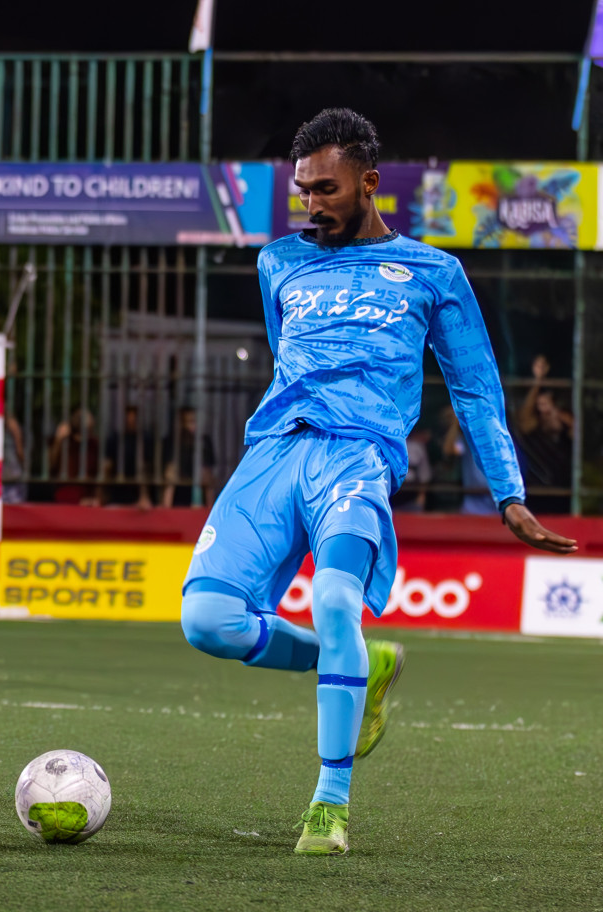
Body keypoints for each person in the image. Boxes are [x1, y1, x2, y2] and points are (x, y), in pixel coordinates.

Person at [177, 109, 574, 856]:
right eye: (301, 192)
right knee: (207, 623)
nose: (311, 204)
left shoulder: (433, 272)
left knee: (334, 602)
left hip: (357, 456)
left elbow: (477, 387)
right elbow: (284, 356)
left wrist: (509, 493)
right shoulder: (279, 263)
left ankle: (329, 805)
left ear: (368, 182)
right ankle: (364, 663)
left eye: (326, 190)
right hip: (273, 454)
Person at [514, 355, 573, 515]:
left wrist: (556, 413)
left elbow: (579, 431)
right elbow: (524, 420)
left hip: (565, 498)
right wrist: (537, 381)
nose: (545, 412)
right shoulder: (533, 435)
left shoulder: (567, 436)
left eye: (548, 406)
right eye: (540, 407)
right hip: (536, 497)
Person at [160, 406, 216, 508]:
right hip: (177, 496)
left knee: (206, 474)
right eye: (187, 422)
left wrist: (209, 507)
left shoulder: (204, 442)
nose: (190, 426)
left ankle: (209, 509)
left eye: (193, 421)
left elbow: (208, 474)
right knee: (171, 473)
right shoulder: (172, 442)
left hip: (198, 496)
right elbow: (169, 472)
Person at [101, 403, 154, 509]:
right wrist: (102, 496)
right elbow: (107, 466)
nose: (131, 420)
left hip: (138, 493)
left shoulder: (146, 439)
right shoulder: (115, 439)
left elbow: (146, 468)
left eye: (134, 417)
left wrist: (144, 496)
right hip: (117, 490)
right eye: (129, 417)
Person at [49, 407, 97, 504]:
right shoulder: (64, 442)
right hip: (65, 498)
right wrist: (58, 440)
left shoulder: (94, 445)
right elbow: (51, 466)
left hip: (88, 500)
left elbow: (97, 474)